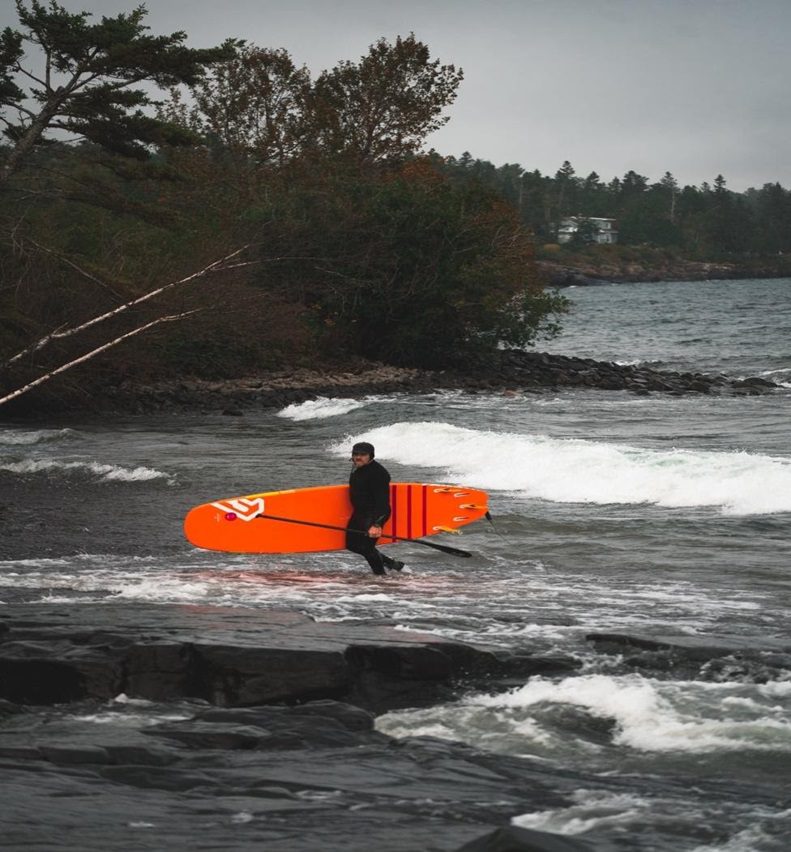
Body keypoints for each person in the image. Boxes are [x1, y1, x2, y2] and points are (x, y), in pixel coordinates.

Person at [346, 441, 405, 576]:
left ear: (371, 456)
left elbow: (383, 502)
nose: (358, 457)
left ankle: (381, 577)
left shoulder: (378, 474)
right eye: (355, 454)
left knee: (366, 547)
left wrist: (377, 524)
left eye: (362, 455)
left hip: (374, 514)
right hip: (360, 513)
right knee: (352, 545)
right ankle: (392, 564)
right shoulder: (357, 467)